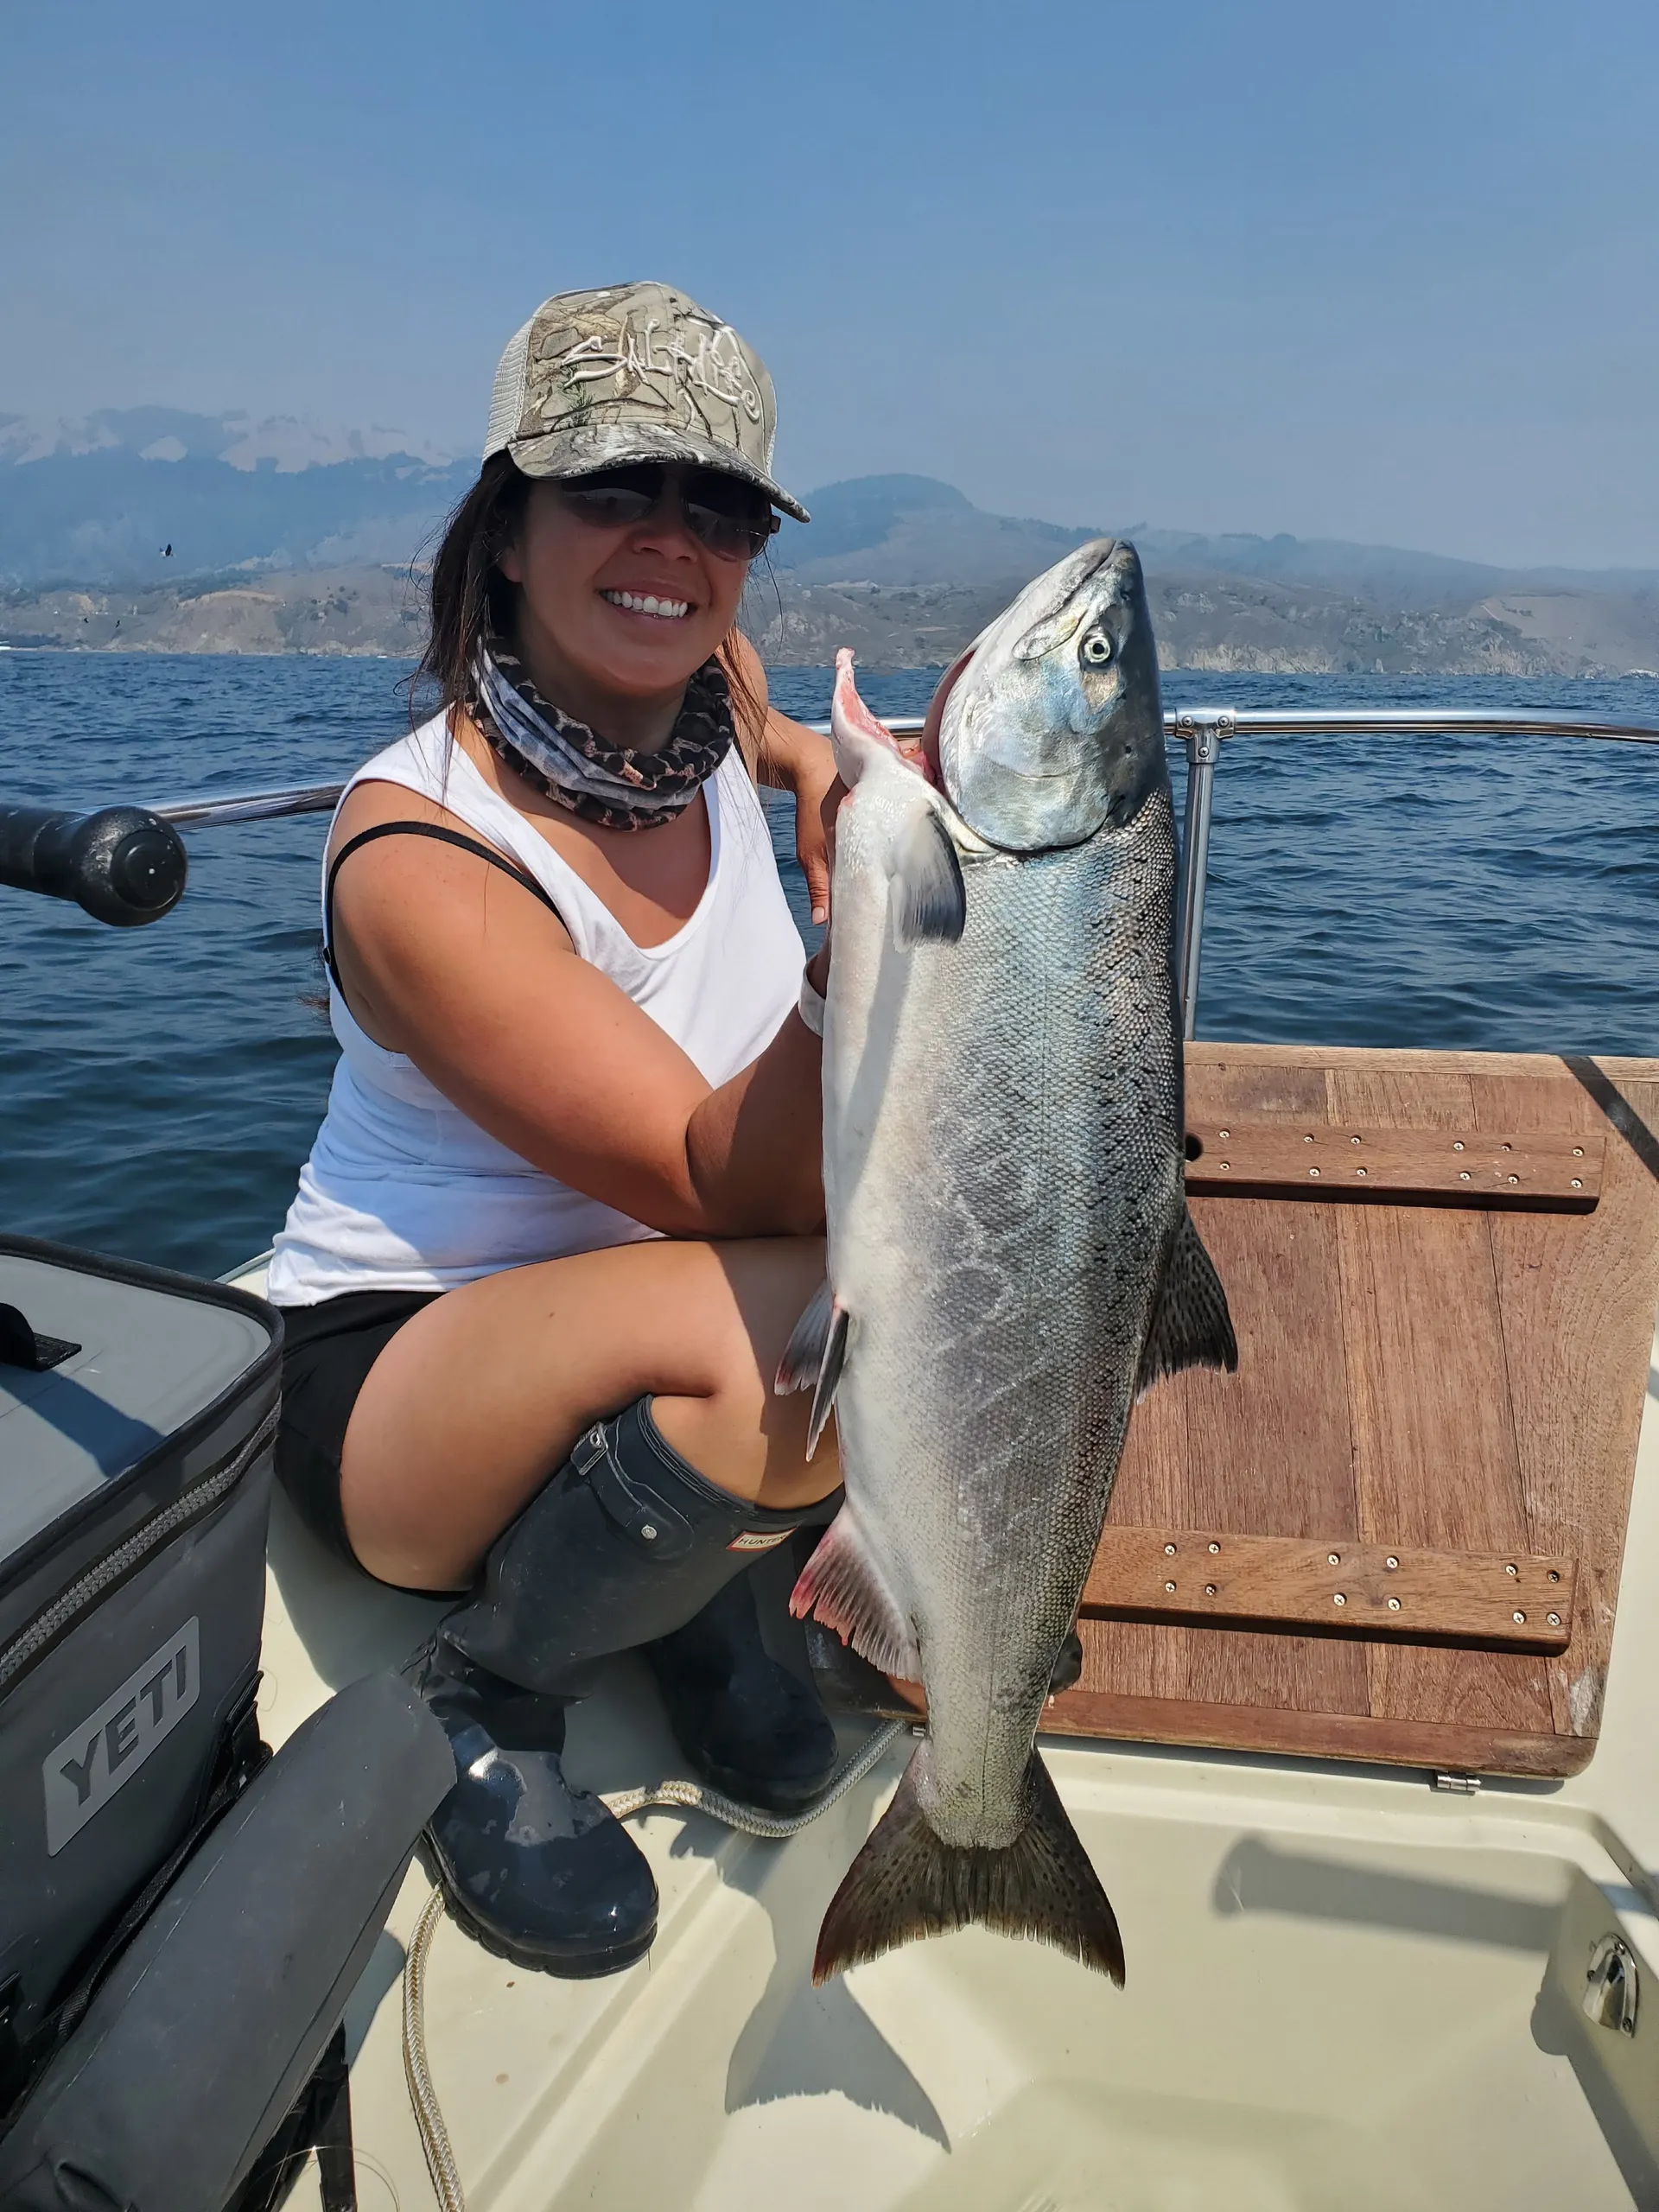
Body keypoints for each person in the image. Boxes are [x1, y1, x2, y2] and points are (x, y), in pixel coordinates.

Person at [266, 283, 846, 1979]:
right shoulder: (416, 856)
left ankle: (678, 1589)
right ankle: (485, 1689)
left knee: (921, 1295)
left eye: (718, 505)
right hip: (402, 1378)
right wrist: (867, 945)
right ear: (507, 530)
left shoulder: (714, 703)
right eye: (614, 489)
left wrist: (824, 775)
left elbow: (772, 719)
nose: (670, 543)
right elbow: (699, 1172)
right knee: (833, 1331)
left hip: (659, 1305)